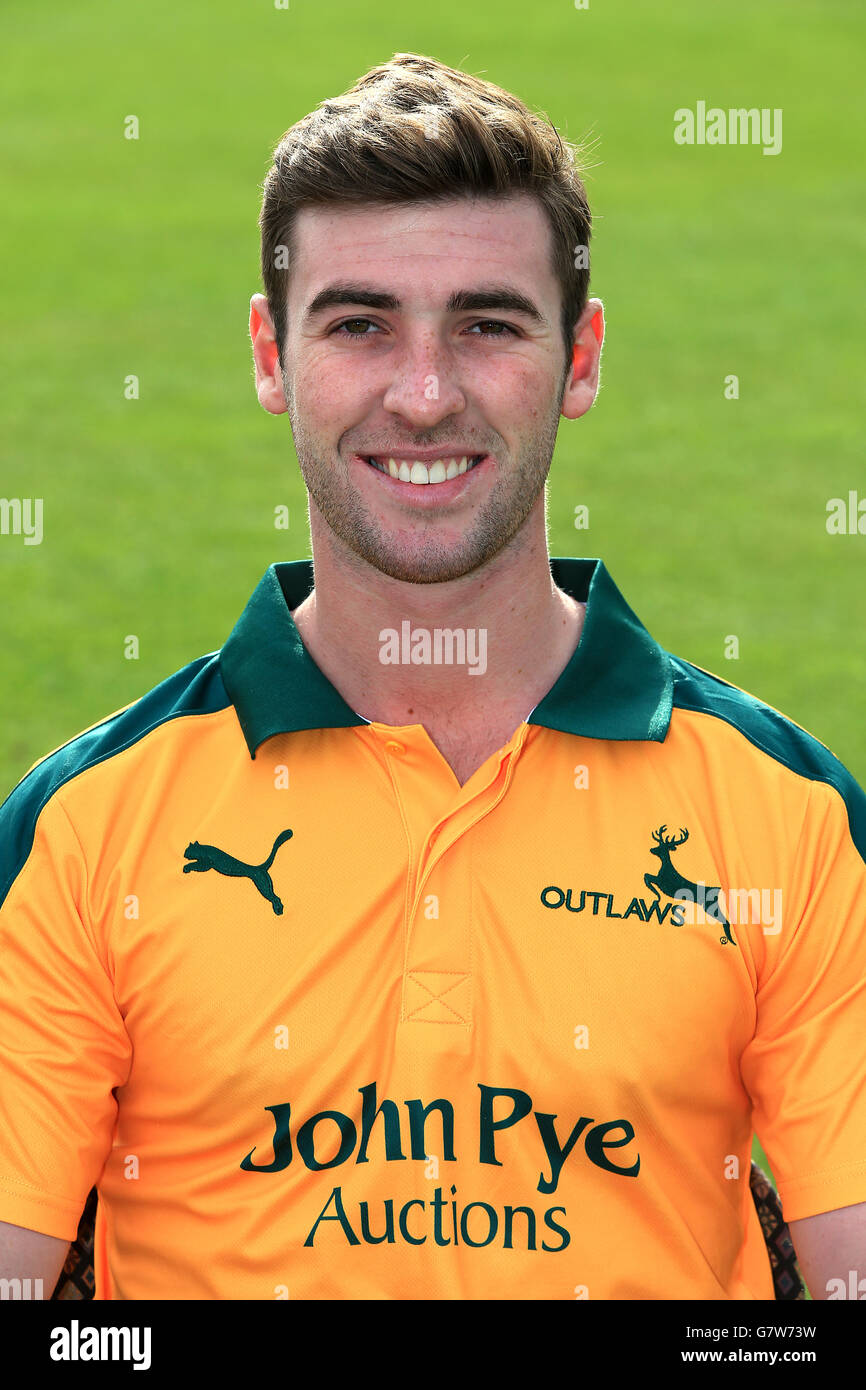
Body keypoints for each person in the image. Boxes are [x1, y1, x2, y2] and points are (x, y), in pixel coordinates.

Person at [1, 52, 864, 1301]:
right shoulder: (78, 831)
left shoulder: (789, 818)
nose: (421, 395)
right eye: (358, 325)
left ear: (577, 358)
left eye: (486, 324)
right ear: (269, 353)